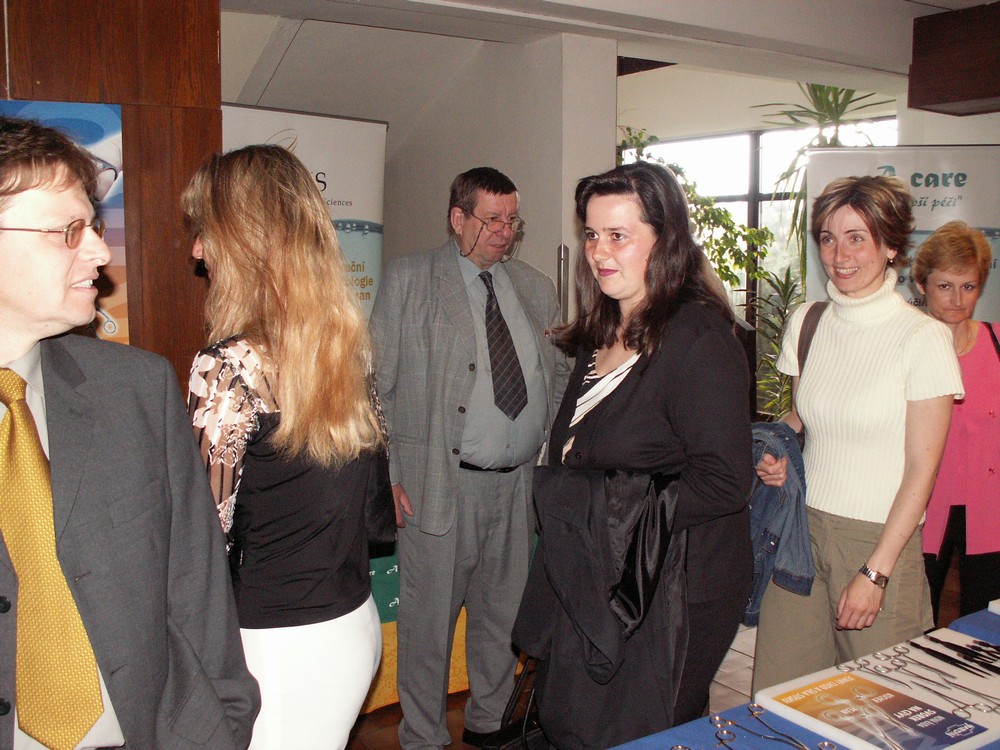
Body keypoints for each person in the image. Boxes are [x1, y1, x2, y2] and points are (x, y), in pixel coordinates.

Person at [0, 117, 259, 748]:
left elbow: (196, 590)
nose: (99, 251)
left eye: (92, 226)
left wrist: (221, 728)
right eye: (68, 231)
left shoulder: (135, 390)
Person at [513, 161, 752, 747]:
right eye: (592, 234)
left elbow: (725, 481)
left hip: (675, 588)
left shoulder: (698, 339)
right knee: (579, 722)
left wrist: (609, 507)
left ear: (665, 241)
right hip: (605, 572)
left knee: (642, 731)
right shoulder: (602, 332)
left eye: (618, 235)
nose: (599, 251)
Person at [182, 144, 385, 750]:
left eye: (206, 230)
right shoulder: (346, 349)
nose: (196, 250)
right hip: (352, 624)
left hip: (277, 647)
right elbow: (372, 510)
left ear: (245, 239)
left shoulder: (228, 368)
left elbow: (201, 539)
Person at [369, 166, 568, 750]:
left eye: (512, 221)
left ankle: (489, 722)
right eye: (492, 219)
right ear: (457, 218)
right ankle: (423, 735)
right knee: (428, 622)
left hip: (518, 484)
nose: (504, 232)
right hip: (439, 483)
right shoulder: (410, 280)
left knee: (502, 617)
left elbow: (557, 378)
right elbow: (373, 387)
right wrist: (388, 476)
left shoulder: (535, 287)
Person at [753, 176, 964, 692]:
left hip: (877, 540)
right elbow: (805, 417)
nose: (839, 255)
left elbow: (922, 470)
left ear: (890, 246)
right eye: (828, 238)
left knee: (879, 708)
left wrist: (876, 573)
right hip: (800, 532)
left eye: (856, 238)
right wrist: (775, 453)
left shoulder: (923, 338)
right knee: (779, 697)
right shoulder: (809, 321)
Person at [913, 221, 1000, 622]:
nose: (957, 299)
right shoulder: (906, 350)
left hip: (990, 507)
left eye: (968, 286)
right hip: (923, 505)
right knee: (915, 621)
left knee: (986, 624)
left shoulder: (996, 342)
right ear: (922, 285)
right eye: (945, 286)